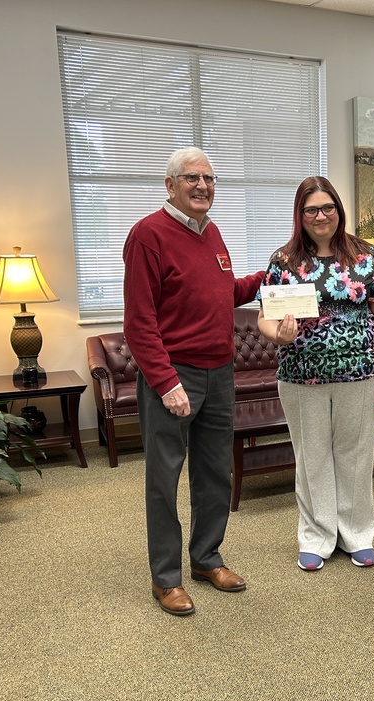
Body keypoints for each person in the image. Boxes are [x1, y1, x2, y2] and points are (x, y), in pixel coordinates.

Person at [123, 147, 264, 616]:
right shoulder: (148, 235)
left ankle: (206, 558)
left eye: (209, 178)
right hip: (175, 374)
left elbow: (226, 293)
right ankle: (165, 579)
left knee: (213, 474)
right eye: (192, 179)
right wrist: (165, 382)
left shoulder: (212, 232)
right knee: (164, 478)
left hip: (220, 372)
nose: (203, 186)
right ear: (170, 185)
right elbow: (139, 322)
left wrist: (271, 275)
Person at [257, 176, 374, 572]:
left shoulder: (365, 255)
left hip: (362, 374)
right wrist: (279, 335)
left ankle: (356, 534)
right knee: (312, 457)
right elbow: (265, 319)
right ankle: (317, 536)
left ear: (338, 209)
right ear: (300, 216)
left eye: (328, 208)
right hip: (301, 376)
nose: (321, 216)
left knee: (355, 456)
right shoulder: (284, 261)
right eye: (311, 210)